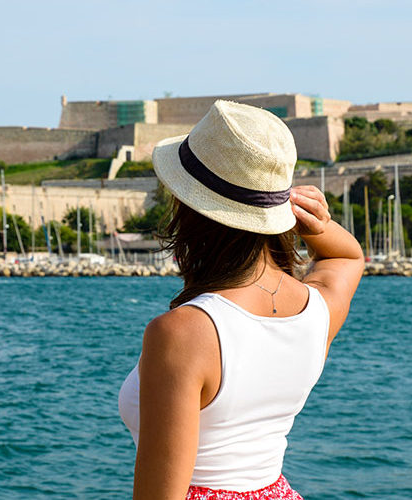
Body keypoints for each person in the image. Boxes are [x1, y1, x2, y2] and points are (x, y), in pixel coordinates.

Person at [118, 100, 364, 499]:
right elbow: (347, 256)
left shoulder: (183, 332)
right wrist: (315, 221)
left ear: (191, 210)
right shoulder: (317, 311)